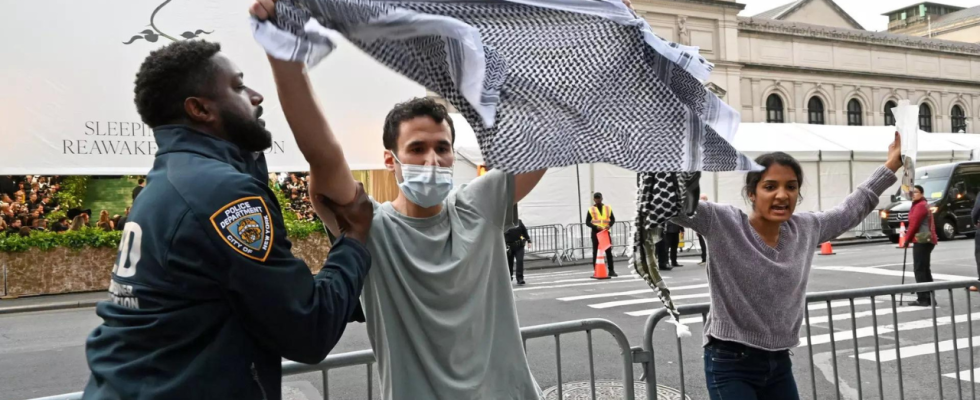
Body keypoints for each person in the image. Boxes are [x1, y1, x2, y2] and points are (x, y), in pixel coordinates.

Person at [252, 2, 546, 397]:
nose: (433, 159)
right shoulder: (367, 224)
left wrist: (595, 43)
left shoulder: (479, 204)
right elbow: (323, 153)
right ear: (390, 159)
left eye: (443, 148)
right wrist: (283, 50)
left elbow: (545, 135)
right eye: (417, 148)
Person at [82, 40, 374, 400]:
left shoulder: (168, 181)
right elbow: (307, 329)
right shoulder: (222, 194)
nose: (256, 96)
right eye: (238, 86)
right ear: (200, 109)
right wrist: (354, 239)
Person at [671, 133, 901, 400]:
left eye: (791, 187)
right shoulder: (722, 222)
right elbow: (671, 206)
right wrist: (680, 157)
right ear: (752, 193)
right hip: (730, 361)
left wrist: (891, 166)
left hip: (779, 362)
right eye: (770, 187)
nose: (782, 195)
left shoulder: (806, 228)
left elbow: (850, 210)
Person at [905, 184, 938, 306]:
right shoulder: (922, 204)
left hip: (922, 240)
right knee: (925, 269)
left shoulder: (920, 206)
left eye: (916, 192)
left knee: (919, 269)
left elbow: (914, 225)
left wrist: (907, 240)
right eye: (912, 193)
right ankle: (930, 298)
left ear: (922, 194)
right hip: (926, 240)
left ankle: (923, 298)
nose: (913, 194)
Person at [585, 192, 618, 276]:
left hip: (605, 232)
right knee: (596, 252)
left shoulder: (607, 208)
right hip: (596, 233)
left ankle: (611, 270)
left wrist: (609, 225)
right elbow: (587, 222)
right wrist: (595, 227)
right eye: (596, 198)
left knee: (608, 252)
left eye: (599, 198)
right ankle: (596, 270)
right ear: (594, 199)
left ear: (602, 198)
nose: (597, 199)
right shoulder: (591, 209)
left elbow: (613, 219)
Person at [505, 218, 532, 285]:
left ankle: (520, 278)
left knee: (519, 261)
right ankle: (509, 277)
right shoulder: (504, 222)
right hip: (509, 246)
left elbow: (524, 231)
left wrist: (529, 241)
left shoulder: (518, 222)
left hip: (519, 246)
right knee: (509, 263)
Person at [697, 194, 709, 266]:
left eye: (702, 198)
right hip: (700, 229)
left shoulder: (707, 208)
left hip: (705, 229)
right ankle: (704, 258)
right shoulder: (700, 208)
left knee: (705, 245)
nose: (701, 200)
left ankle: (705, 259)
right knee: (702, 244)